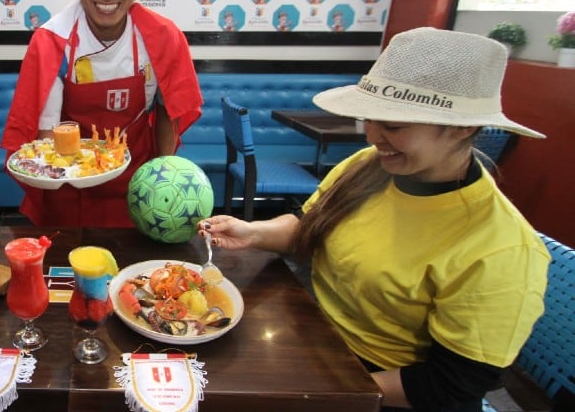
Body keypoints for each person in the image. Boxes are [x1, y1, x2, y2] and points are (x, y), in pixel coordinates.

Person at [198, 28, 549, 412]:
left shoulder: (500, 248)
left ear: (463, 128)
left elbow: (449, 387)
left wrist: (319, 392)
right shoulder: (369, 166)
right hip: (315, 338)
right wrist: (253, 231)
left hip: (382, 386)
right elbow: (310, 225)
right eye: (369, 119)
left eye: (393, 126)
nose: (372, 137)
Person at [2, 0, 202, 228]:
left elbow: (168, 113)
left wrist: (160, 179)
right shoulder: (52, 42)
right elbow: (46, 136)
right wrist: (67, 172)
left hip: (139, 189)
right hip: (69, 190)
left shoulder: (163, 38)